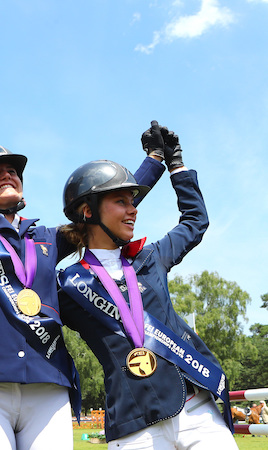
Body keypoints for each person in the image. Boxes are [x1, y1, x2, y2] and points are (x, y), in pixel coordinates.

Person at [0, 32, 165, 449]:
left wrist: (152, 164)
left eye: (13, 169)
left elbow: (105, 211)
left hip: (48, 382)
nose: (7, 173)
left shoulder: (48, 238)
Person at [57, 123, 236, 448]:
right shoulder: (68, 284)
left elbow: (195, 221)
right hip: (132, 425)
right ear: (87, 210)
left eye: (133, 201)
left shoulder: (152, 257)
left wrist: (173, 163)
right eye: (122, 202)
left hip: (196, 409)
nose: (134, 209)